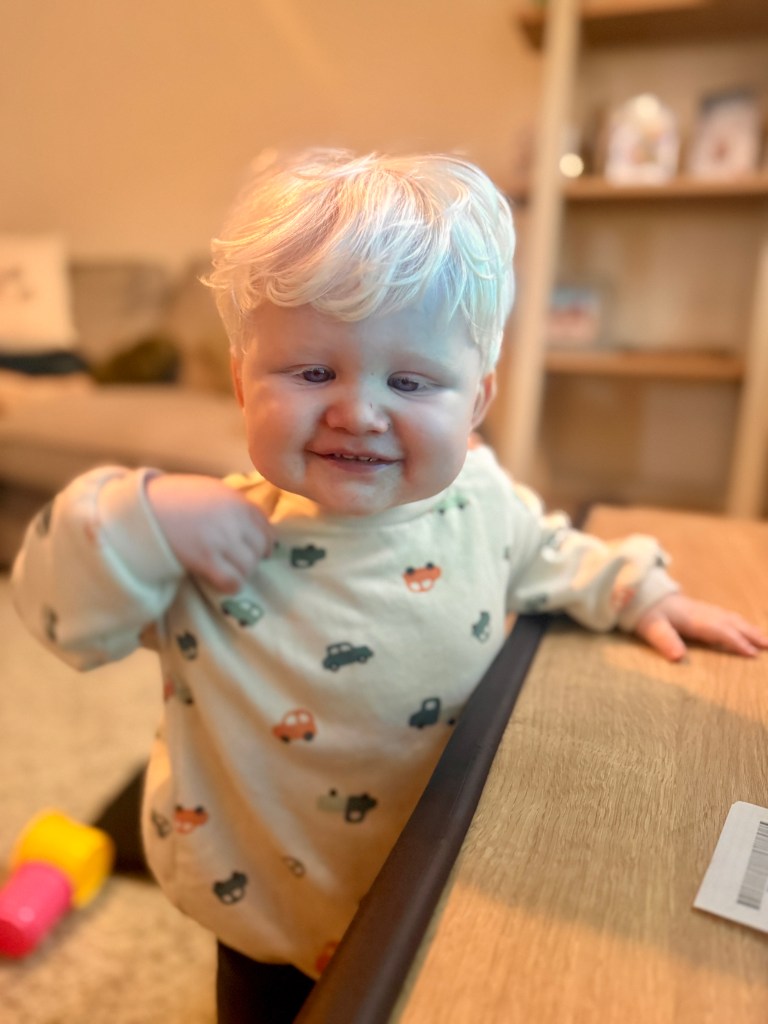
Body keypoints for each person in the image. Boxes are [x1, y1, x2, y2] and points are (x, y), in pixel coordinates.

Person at [11, 149, 767, 1023]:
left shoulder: (480, 496)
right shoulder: (210, 536)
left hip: (443, 881)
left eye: (409, 382)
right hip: (258, 900)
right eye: (311, 373)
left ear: (476, 398)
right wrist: (140, 515)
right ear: (240, 379)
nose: (359, 411)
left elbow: (548, 552)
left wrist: (642, 590)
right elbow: (57, 611)